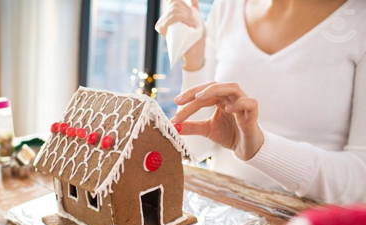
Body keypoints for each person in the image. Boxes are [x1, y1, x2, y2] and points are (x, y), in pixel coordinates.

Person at [155, 0, 366, 204]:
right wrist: (195, 59)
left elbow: (360, 183)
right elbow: (195, 148)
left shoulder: (359, 21)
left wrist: (260, 148)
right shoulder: (228, 6)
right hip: (222, 219)